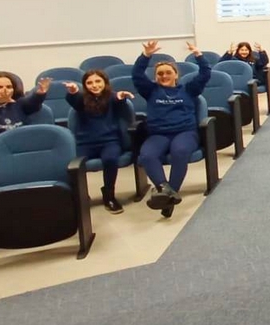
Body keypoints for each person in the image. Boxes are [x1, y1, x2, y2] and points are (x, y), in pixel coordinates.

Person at [132, 41, 211, 210]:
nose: (164, 76)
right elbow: (137, 74)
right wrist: (146, 56)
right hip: (158, 134)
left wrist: (199, 55)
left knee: (180, 152)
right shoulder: (150, 90)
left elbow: (205, 74)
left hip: (185, 133)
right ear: (155, 77)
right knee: (147, 155)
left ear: (176, 75)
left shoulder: (188, 90)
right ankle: (166, 192)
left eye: (168, 72)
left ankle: (168, 196)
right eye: (160, 73)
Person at [64, 70, 134, 214]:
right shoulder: (82, 100)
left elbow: (120, 106)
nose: (94, 85)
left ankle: (109, 195)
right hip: (85, 143)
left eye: (98, 81)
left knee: (110, 159)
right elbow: (75, 101)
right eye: (89, 83)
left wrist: (121, 98)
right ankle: (79, 196)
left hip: (109, 141)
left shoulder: (112, 97)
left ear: (105, 83)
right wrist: (73, 92)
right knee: (72, 165)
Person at [0, 72, 51, 164]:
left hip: (24, 151)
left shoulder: (18, 103)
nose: (4, 90)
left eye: (9, 87)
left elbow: (32, 103)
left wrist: (40, 94)